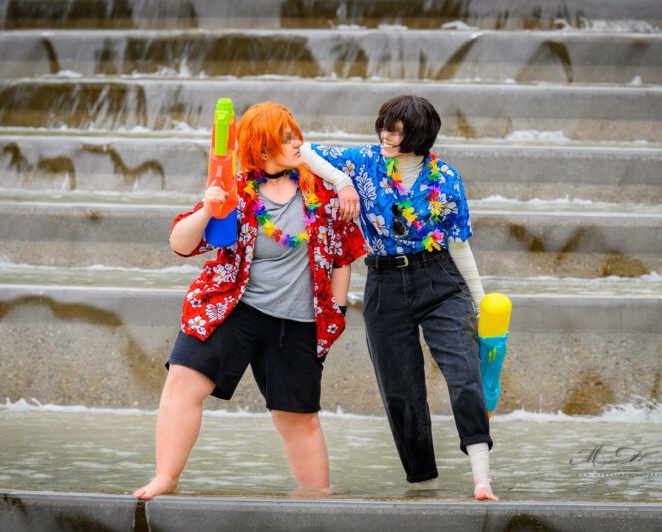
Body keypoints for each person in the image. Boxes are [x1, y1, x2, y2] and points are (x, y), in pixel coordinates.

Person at [134, 102, 367, 500]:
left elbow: (344, 252)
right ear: (261, 148)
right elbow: (181, 244)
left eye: (296, 134)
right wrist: (208, 208)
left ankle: (317, 499)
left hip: (298, 321)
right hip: (234, 309)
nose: (298, 143)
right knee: (182, 383)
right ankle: (165, 478)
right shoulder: (236, 191)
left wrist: (338, 310)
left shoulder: (320, 190)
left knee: (298, 419)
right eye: (286, 137)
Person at [299, 95, 498, 501]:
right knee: (400, 392)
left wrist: (480, 302)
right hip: (384, 284)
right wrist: (342, 183)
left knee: (464, 374)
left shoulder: (446, 178)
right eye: (384, 128)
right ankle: (425, 486)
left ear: (419, 135)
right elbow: (302, 150)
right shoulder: (364, 162)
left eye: (396, 132)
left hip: (440, 280)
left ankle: (482, 479)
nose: (386, 136)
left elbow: (458, 243)